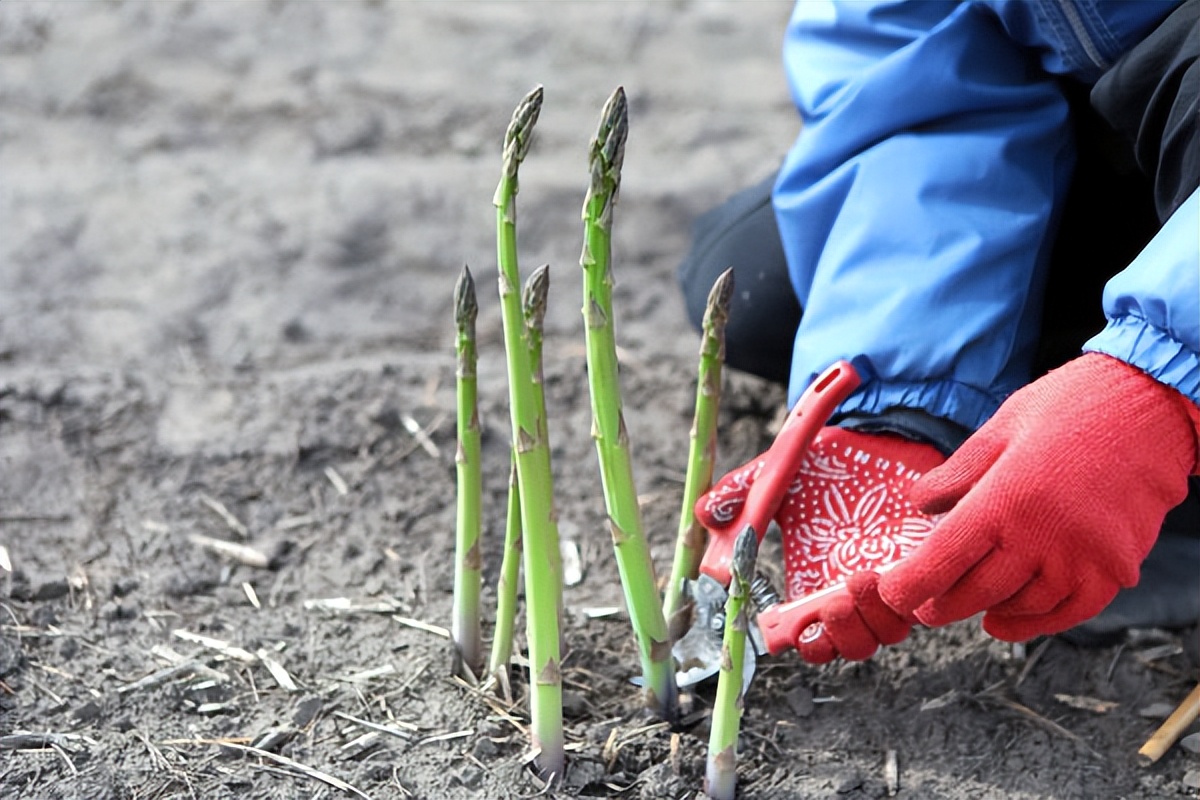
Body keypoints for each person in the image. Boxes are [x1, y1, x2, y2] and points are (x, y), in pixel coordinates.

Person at [680, 0, 1199, 664]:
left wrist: (1165, 385)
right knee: (755, 294)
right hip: (1122, 118)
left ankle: (1173, 508)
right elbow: (915, 49)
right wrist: (907, 404)